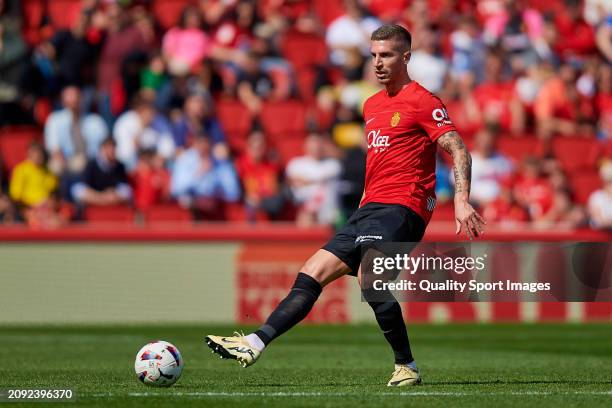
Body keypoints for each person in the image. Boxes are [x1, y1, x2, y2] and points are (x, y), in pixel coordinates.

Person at [205, 24, 485, 387]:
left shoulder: (422, 101)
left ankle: (407, 366)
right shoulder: (370, 105)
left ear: (406, 57)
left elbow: (457, 147)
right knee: (312, 271)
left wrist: (461, 200)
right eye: (373, 56)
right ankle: (254, 342)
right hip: (368, 208)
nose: (378, 63)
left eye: (386, 55)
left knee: (371, 279)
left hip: (404, 206)